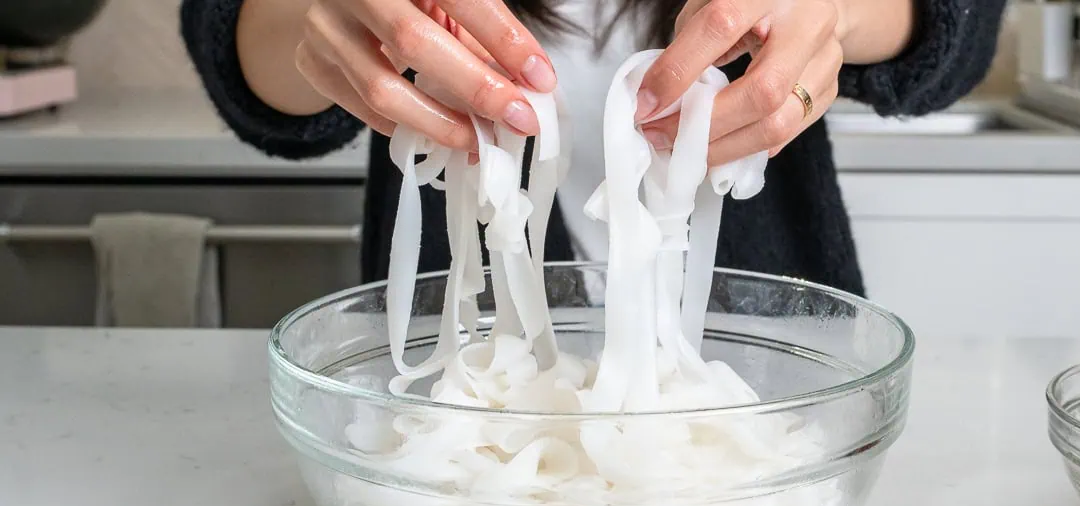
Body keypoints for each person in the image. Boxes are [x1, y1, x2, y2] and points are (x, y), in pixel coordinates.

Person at [181, 0, 1005, 297]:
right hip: (458, 393)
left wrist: (836, 12)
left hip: (767, 370)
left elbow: (956, 29)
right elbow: (240, 42)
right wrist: (327, 24)